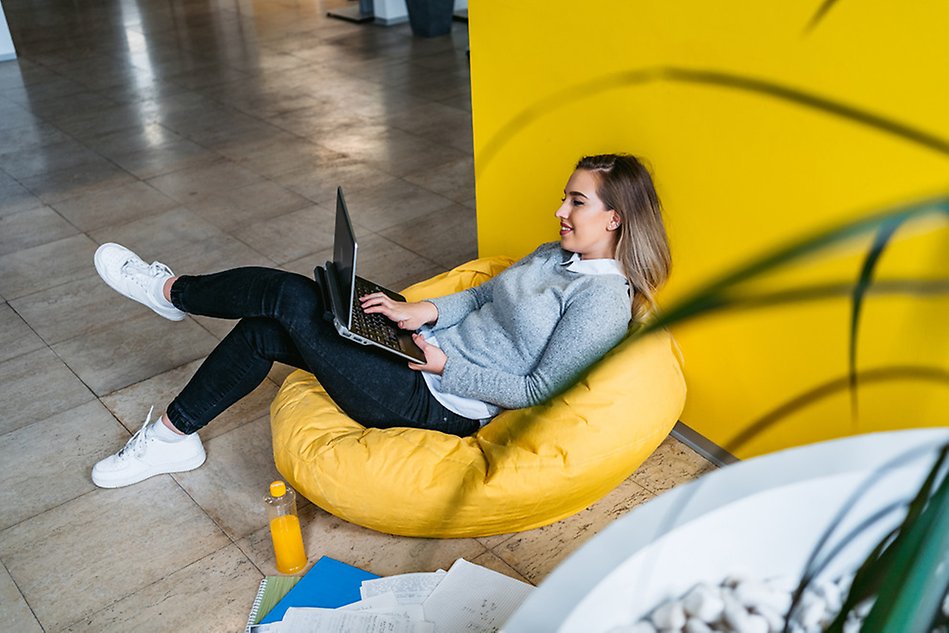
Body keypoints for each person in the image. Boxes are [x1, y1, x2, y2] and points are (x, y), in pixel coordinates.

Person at [90, 153, 672, 489]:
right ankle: (170, 438)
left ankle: (170, 291)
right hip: (419, 349)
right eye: (564, 197)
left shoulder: (602, 301)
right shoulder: (554, 254)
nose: (559, 211)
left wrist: (444, 363)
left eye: (576, 202)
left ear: (615, 218)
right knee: (265, 329)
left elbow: (539, 391)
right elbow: (483, 295)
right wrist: (419, 311)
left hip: (442, 401)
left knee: (286, 295)